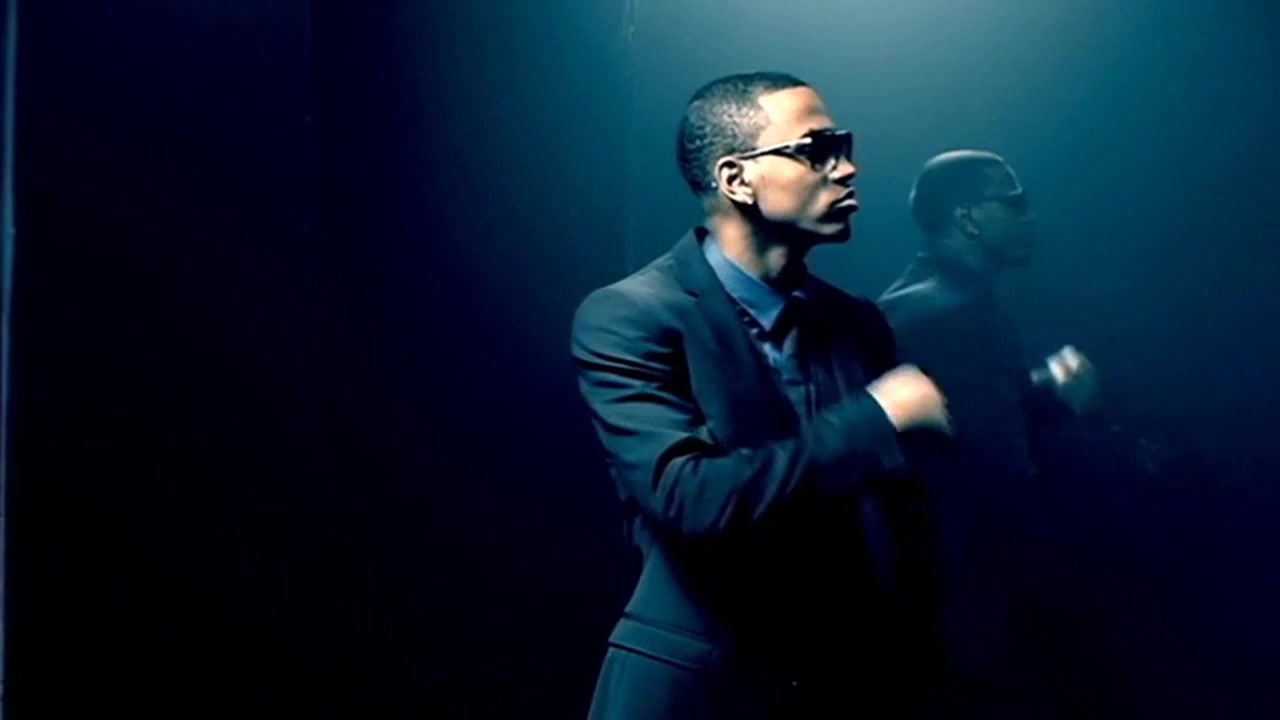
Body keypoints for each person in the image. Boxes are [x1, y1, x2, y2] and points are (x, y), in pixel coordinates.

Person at [570, 72, 952, 719]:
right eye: (816, 150)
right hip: (696, 689)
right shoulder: (629, 316)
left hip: (839, 682)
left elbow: (900, 512)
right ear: (736, 179)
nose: (847, 168)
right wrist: (876, 415)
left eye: (844, 147)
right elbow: (691, 497)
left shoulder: (856, 323)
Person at [877, 149, 1101, 717]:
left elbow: (962, 419)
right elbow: (994, 474)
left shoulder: (931, 302)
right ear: (969, 218)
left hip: (959, 603)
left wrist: (1043, 393)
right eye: (1015, 202)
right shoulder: (950, 313)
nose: (1031, 217)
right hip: (976, 611)